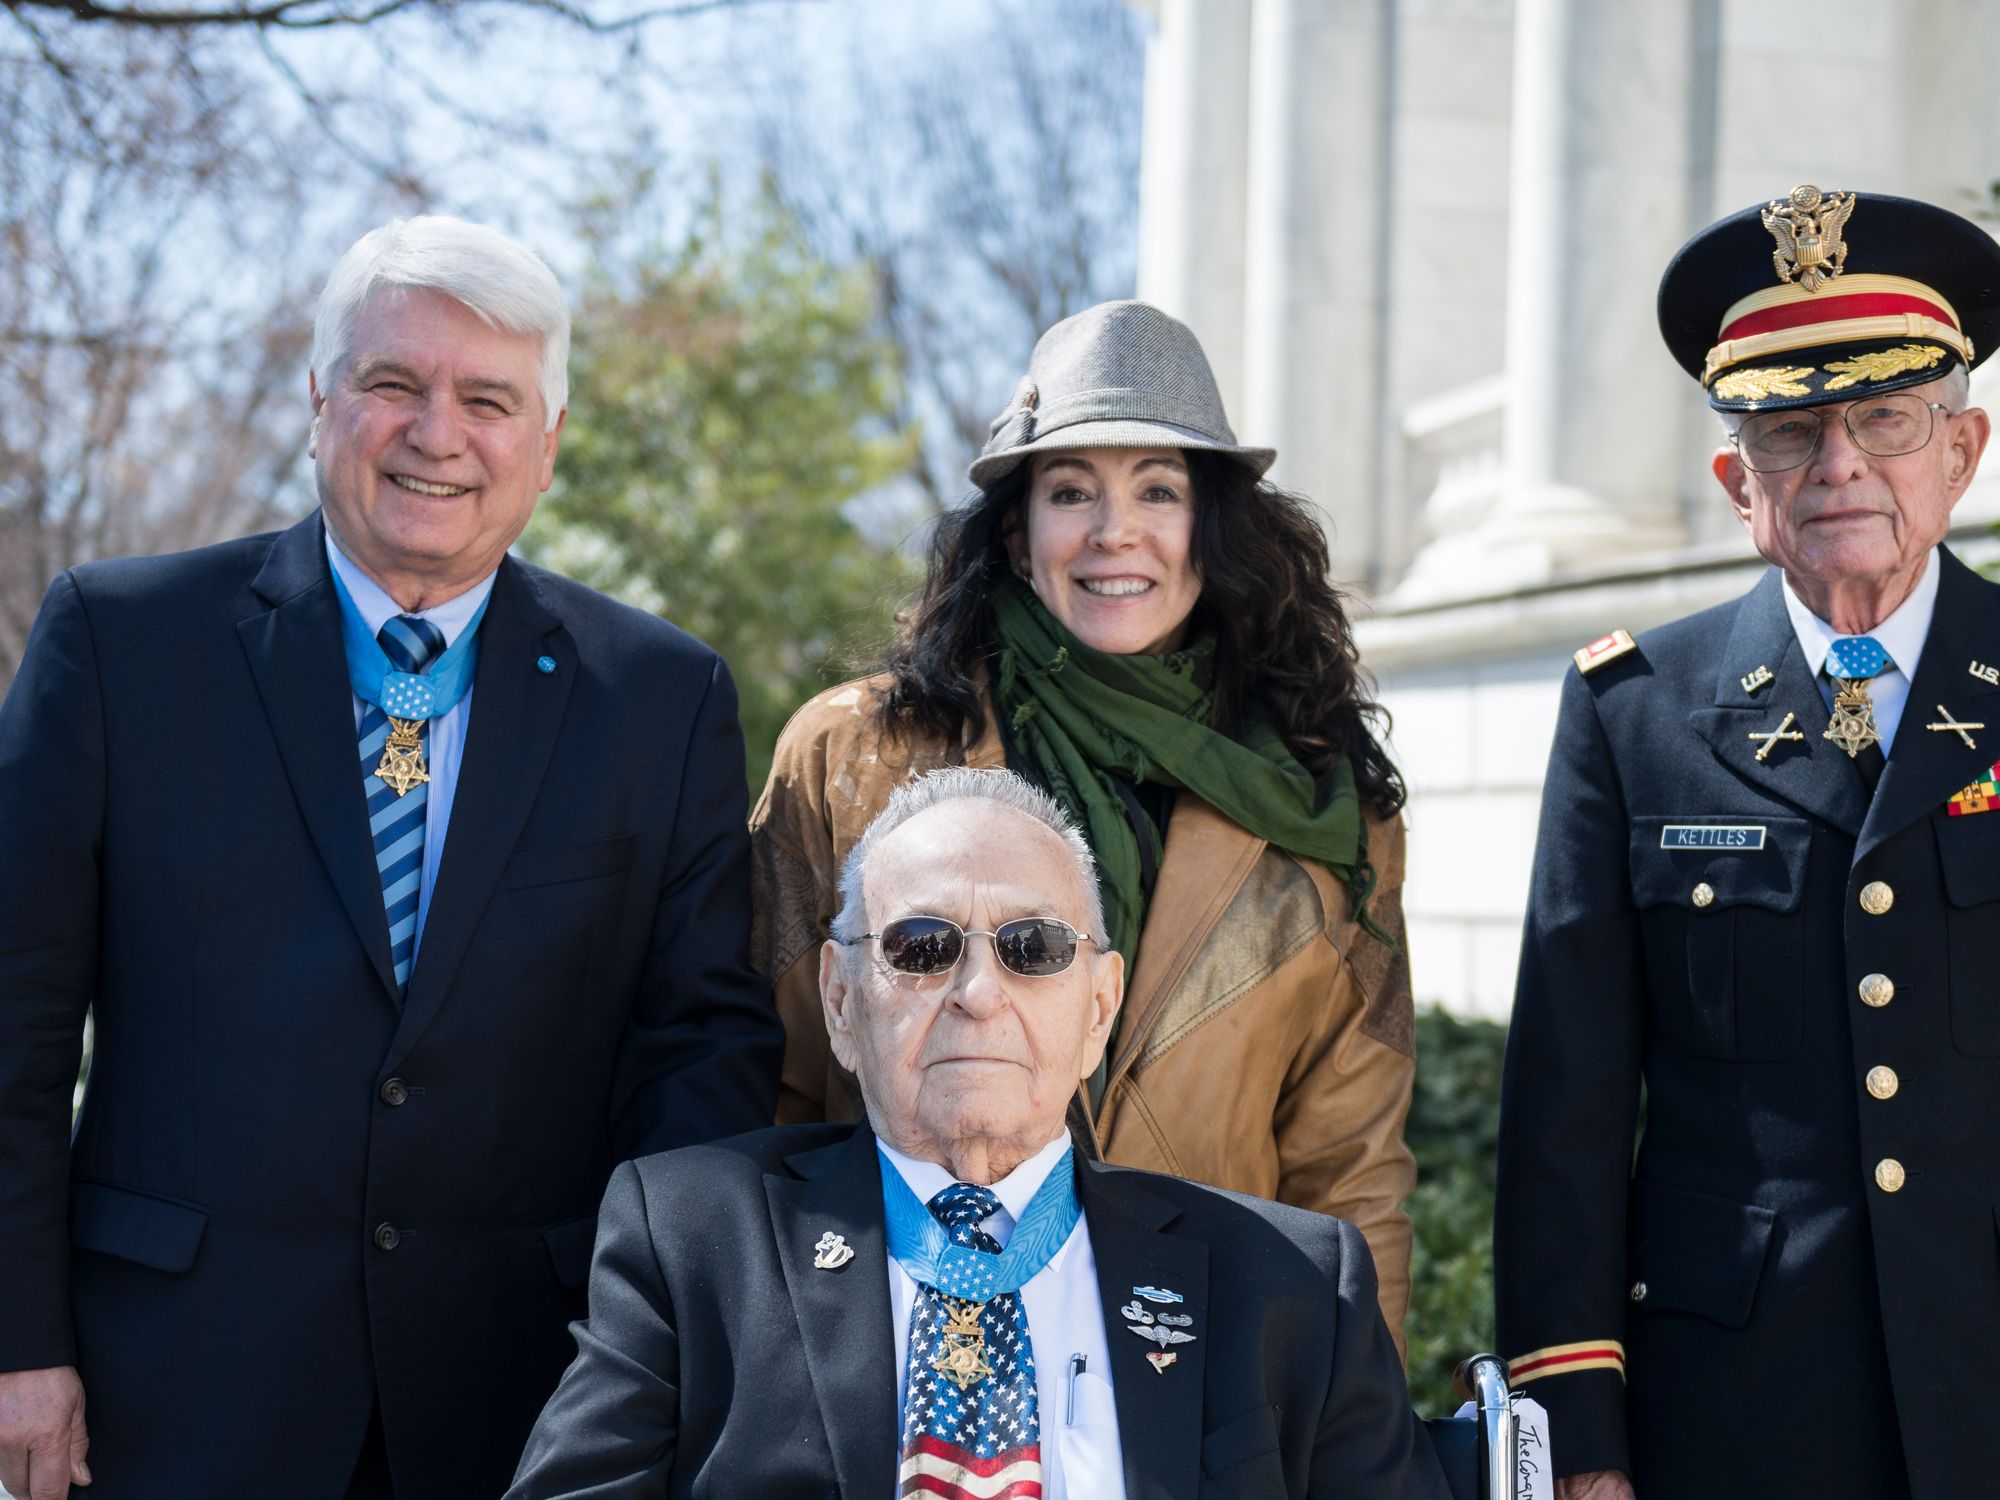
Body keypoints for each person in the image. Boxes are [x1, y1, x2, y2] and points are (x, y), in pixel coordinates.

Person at [0, 215, 783, 1500]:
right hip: (168, 1388)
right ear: (319, 404)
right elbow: (16, 1018)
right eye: (391, 384)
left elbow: (698, 1052)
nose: (437, 433)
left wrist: (660, 1357)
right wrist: (16, 1339)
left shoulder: (658, 698)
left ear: (547, 445)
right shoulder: (122, 646)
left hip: (527, 1403)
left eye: (489, 399)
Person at [751, 299, 1421, 1350]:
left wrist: (1354, 1427)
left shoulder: (1326, 804)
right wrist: (776, 1360)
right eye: (1073, 492)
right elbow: (774, 1093)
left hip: (1208, 1363)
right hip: (886, 1347)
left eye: (1158, 489)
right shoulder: (850, 758)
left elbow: (1350, 1162)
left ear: (1211, 526)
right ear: (1017, 537)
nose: (1115, 532)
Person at [509, 767, 1449, 1500]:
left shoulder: (1292, 1285)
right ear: (841, 1002)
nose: (979, 992)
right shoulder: (691, 1241)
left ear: (1099, 1008)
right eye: (923, 947)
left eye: (1033, 949)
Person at [1494, 185, 2000, 1500]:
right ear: (1737, 482)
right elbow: (1568, 1105)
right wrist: (1576, 1437)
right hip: (1736, 1413)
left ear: (1963, 452)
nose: (1839, 463)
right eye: (1788, 428)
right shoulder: (1633, 710)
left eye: (1886, 419)